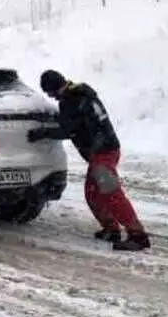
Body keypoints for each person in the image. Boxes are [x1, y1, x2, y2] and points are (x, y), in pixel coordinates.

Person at [27, 70, 151, 251]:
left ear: (53, 89)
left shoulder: (72, 100)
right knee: (93, 193)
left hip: (103, 152)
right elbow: (74, 122)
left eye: (50, 93)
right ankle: (111, 229)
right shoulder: (81, 94)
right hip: (105, 149)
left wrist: (42, 133)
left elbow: (69, 130)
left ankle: (138, 236)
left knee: (111, 193)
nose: (52, 97)